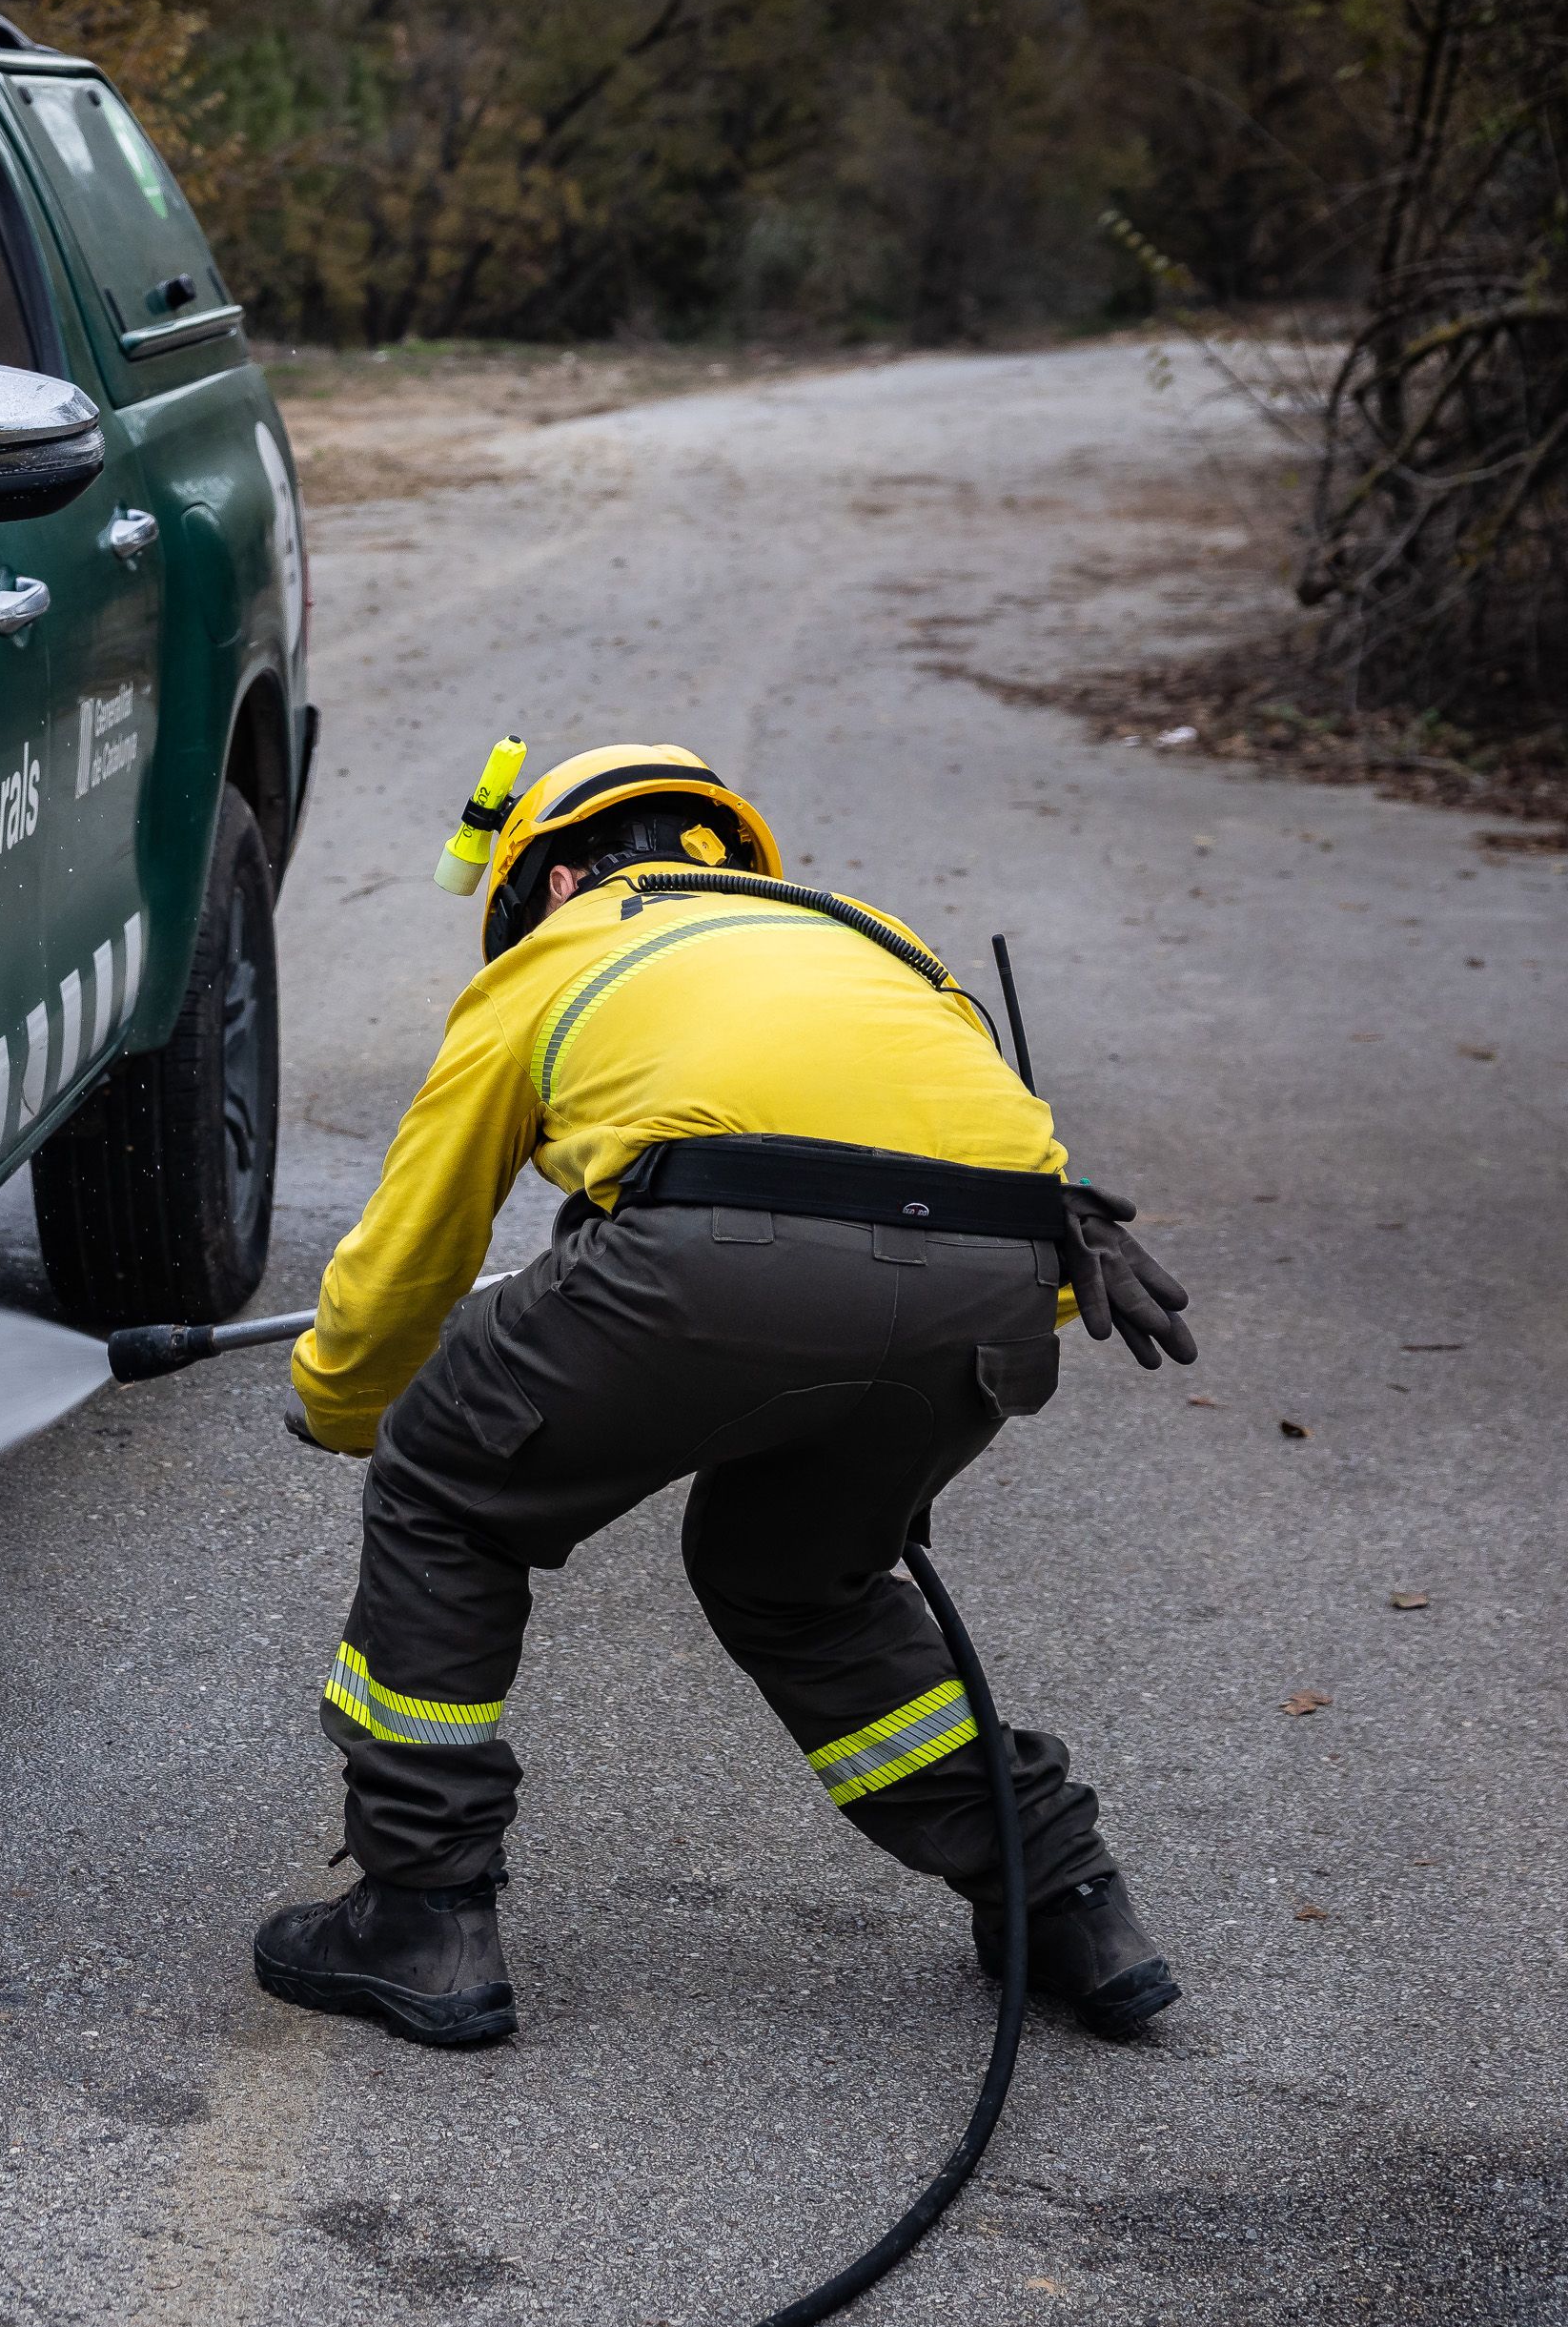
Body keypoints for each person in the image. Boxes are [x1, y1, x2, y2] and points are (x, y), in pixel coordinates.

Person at [258, 743, 1195, 2050]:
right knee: (799, 1580)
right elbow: (964, 1148)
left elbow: (417, 1244)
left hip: (712, 1264)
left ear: (557, 876)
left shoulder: (560, 954)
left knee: (443, 1486)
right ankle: (1067, 1899)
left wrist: (347, 1399)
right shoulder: (874, 942)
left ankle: (421, 1913)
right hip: (999, 1283)